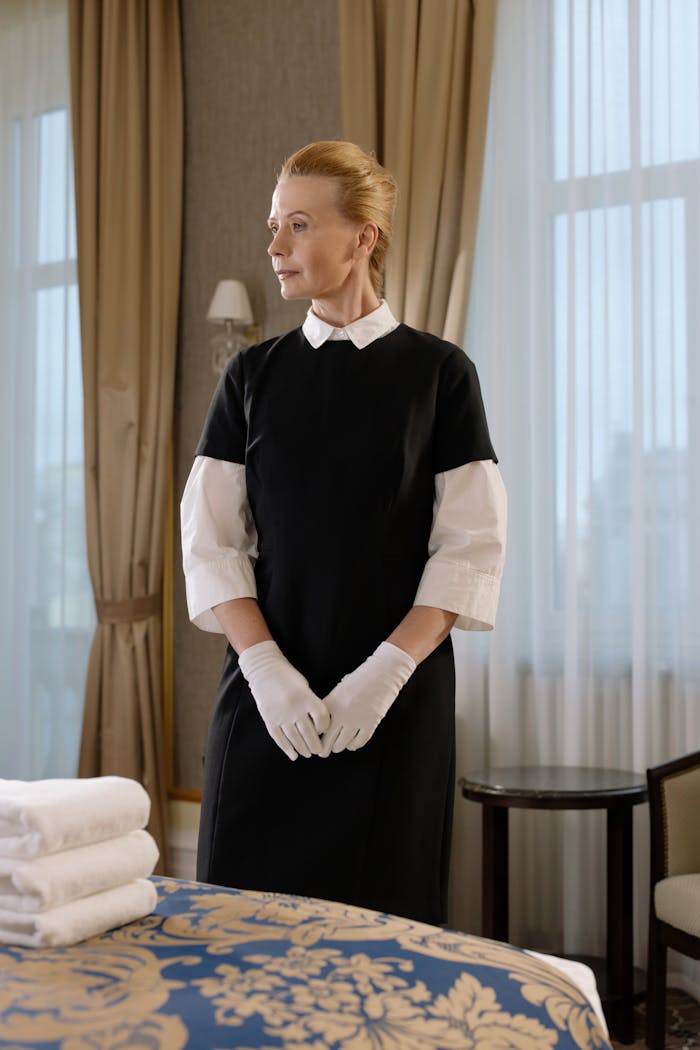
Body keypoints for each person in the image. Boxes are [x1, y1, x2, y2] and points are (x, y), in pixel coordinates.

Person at [180, 140, 506, 926]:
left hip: (393, 710)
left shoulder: (440, 375)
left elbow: (468, 548)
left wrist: (387, 672)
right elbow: (212, 544)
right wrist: (265, 669)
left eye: (298, 225)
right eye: (274, 225)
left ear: (363, 236)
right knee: (238, 930)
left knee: (384, 939)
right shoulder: (250, 378)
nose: (275, 245)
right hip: (266, 705)